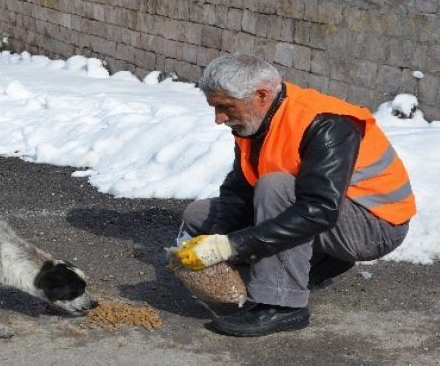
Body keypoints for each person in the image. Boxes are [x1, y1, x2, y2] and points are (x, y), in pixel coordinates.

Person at [175, 53, 415, 337]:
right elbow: (239, 189)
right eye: (215, 108)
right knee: (199, 215)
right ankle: (321, 261)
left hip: (375, 226)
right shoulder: (255, 121)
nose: (219, 119)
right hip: (330, 214)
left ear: (261, 95)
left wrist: (232, 245)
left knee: (275, 186)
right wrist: (218, 237)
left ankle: (282, 306)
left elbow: (320, 210)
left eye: (225, 107)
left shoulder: (327, 124)